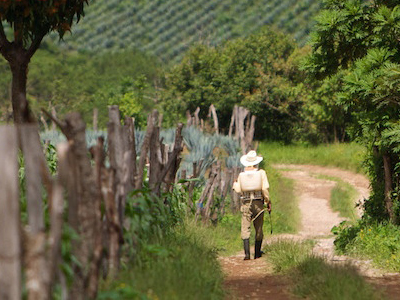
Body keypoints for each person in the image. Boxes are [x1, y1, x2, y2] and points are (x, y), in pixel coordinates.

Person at [233, 150, 271, 260]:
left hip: (246, 202)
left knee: (245, 228)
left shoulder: (241, 175)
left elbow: (238, 189)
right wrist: (267, 201)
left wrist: (235, 183)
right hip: (258, 202)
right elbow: (264, 188)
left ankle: (247, 254)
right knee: (258, 228)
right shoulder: (261, 173)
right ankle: (257, 253)